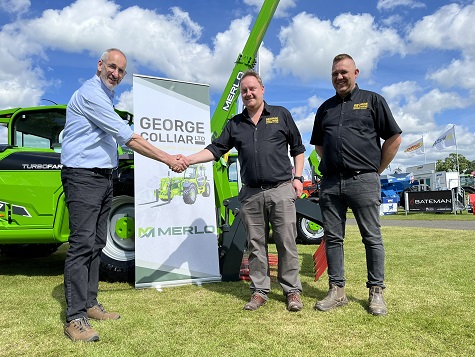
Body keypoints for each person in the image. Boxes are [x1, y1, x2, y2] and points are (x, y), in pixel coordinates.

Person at [61, 48, 188, 342]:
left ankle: (90, 304)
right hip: (83, 175)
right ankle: (75, 317)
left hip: (102, 177)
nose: (115, 74)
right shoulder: (91, 94)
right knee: (82, 245)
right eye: (112, 67)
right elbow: (127, 137)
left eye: (121, 71)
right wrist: (169, 158)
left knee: (96, 243)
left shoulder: (106, 96)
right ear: (100, 65)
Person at [187, 69, 305, 312]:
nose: (248, 93)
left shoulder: (281, 115)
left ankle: (292, 290)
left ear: (262, 90)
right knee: (255, 245)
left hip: (281, 189)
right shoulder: (235, 124)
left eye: (252, 88)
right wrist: (188, 160)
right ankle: (260, 291)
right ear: (241, 95)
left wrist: (298, 177)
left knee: (286, 242)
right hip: (251, 194)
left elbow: (298, 148)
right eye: (244, 91)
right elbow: (216, 149)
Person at [310, 54, 402, 316]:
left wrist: (375, 170)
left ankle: (376, 292)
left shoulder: (373, 101)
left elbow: (394, 136)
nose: (339, 77)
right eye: (335, 73)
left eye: (344, 72)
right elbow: (319, 145)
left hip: (364, 180)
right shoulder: (324, 109)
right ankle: (337, 291)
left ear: (356, 73)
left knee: (371, 238)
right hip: (330, 184)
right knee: (333, 239)